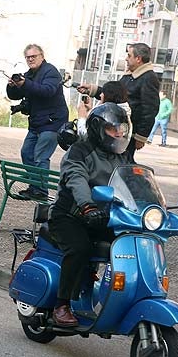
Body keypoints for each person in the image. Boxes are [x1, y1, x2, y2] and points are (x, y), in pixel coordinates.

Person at [48, 103, 134, 327]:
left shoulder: (123, 156)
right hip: (70, 215)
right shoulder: (80, 151)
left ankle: (120, 298)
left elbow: (135, 181)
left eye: (121, 129)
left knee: (131, 246)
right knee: (80, 248)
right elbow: (76, 178)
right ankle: (61, 304)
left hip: (105, 217)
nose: (118, 134)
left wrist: (152, 207)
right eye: (112, 129)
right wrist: (87, 205)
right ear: (97, 129)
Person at [7, 44, 69, 200]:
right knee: (26, 153)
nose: (30, 59)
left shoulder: (51, 71)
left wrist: (25, 84)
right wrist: (12, 86)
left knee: (40, 156)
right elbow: (16, 95)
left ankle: (41, 191)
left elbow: (47, 91)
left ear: (42, 56)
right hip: (37, 122)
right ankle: (35, 186)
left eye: (33, 56)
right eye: (27, 57)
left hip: (53, 122)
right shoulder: (28, 75)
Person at [79, 42, 160, 153]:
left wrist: (141, 136)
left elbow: (150, 110)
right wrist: (93, 90)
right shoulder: (129, 76)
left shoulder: (149, 78)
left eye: (129, 55)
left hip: (126, 133)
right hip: (115, 127)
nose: (126, 59)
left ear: (138, 58)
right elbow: (115, 94)